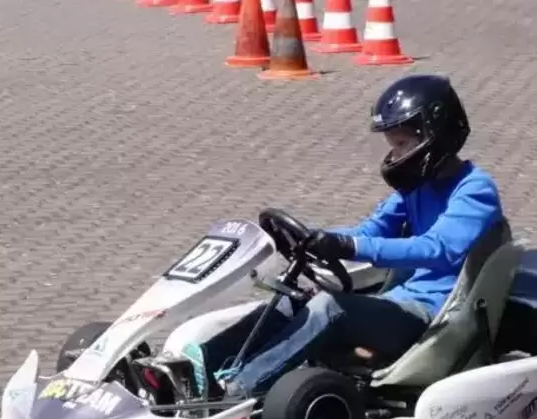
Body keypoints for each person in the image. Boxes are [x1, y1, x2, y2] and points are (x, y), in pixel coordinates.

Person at [181, 73, 506, 401]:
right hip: (396, 302)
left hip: (432, 316)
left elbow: (437, 249)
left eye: (402, 144)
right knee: (293, 300)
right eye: (392, 147)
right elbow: (369, 232)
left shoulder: (475, 190)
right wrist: (314, 238)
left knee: (328, 307)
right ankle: (197, 367)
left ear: (436, 135)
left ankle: (237, 392)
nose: (394, 156)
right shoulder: (417, 188)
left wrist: (349, 246)